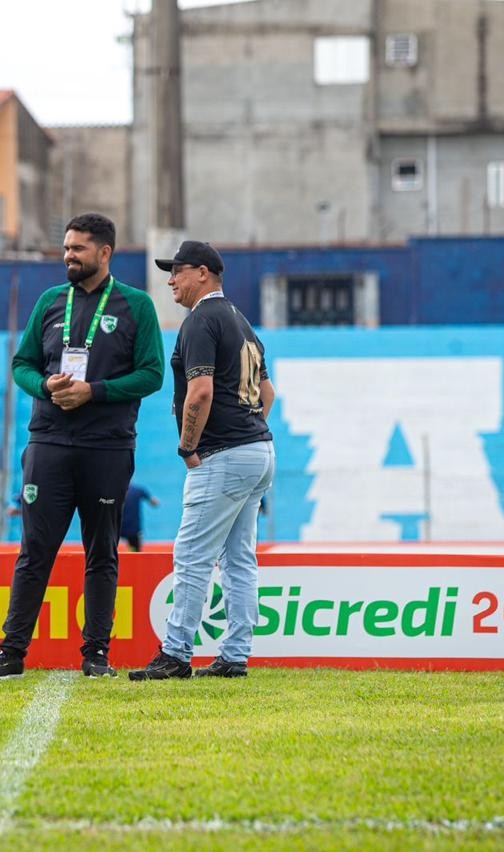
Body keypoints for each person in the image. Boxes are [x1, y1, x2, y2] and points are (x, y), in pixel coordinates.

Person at [0, 213, 165, 679]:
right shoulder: (49, 302)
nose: (68, 256)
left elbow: (152, 374)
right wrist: (45, 386)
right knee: (34, 550)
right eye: (66, 248)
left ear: (104, 253)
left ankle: (96, 653)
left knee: (101, 551)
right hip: (48, 442)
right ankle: (10, 653)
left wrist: (94, 391)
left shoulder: (137, 305)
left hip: (107, 446)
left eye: (78, 248)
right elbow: (22, 364)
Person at [130, 241, 276, 681]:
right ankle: (236, 655)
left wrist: (188, 447)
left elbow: (200, 391)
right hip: (258, 449)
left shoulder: (200, 320)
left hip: (223, 454)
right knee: (239, 559)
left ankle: (175, 654)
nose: (171, 280)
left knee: (192, 556)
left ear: (203, 273)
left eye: (177, 271)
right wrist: (248, 431)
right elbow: (267, 393)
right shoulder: (241, 321)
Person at [120, 483, 160, 552]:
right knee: (136, 552)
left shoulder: (116, 491)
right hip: (133, 529)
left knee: (112, 551)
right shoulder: (138, 490)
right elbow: (155, 503)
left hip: (118, 528)